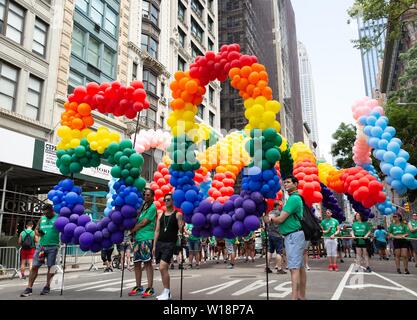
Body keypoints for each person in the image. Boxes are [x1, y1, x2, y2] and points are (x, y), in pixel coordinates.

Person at [270, 176, 306, 300]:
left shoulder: (293, 199)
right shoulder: (293, 198)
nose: (285, 184)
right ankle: (301, 296)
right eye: (284, 182)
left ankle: (294, 297)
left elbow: (280, 219)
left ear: (296, 184)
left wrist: (271, 219)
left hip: (293, 236)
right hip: (296, 235)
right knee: (300, 267)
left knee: (294, 268)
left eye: (288, 182)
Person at [20, 204, 60, 297]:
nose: (45, 214)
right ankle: (29, 288)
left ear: (51, 210)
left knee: (51, 267)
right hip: (41, 247)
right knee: (34, 266)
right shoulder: (42, 218)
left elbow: (64, 229)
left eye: (47, 212)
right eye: (44, 212)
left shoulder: (58, 218)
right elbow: (36, 230)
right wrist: (38, 232)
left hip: (53, 247)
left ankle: (47, 286)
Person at [153, 193, 183, 300]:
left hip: (170, 243)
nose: (166, 201)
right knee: (162, 269)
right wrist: (154, 245)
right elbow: (157, 231)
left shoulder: (177, 214)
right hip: (160, 243)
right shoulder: (160, 215)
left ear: (173, 201)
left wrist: (181, 227)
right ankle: (166, 291)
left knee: (162, 267)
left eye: (168, 199)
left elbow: (180, 229)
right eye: (165, 200)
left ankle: (167, 291)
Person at [128, 188, 157, 297]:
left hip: (146, 237)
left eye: (148, 195)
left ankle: (150, 288)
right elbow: (137, 219)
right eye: (145, 194)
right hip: (138, 238)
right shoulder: (143, 206)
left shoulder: (152, 207)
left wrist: (132, 230)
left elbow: (144, 222)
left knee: (147, 263)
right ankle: (139, 286)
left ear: (153, 196)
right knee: (136, 262)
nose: (146, 196)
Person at [264, 201, 286, 274]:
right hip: (278, 234)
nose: (281, 207)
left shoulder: (270, 213)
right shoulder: (279, 213)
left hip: (270, 234)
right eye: (280, 205)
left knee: (270, 251)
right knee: (279, 252)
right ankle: (279, 269)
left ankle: (267, 267)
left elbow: (266, 221)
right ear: (277, 206)